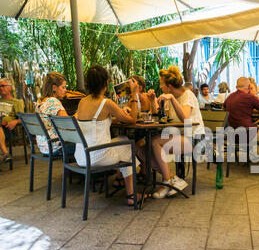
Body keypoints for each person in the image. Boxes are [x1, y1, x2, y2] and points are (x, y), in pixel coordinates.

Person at [75, 65, 142, 206]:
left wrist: (117, 114)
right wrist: (134, 95)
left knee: (123, 141)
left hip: (81, 156)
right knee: (128, 145)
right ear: (106, 83)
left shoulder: (82, 102)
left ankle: (119, 180)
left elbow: (98, 119)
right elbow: (133, 120)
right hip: (97, 156)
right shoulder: (106, 103)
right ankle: (132, 195)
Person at [149, 66, 205, 199]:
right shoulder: (170, 97)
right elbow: (158, 116)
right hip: (178, 136)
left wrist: (172, 100)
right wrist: (152, 100)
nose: (161, 87)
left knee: (155, 142)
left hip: (196, 139)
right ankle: (171, 180)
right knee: (142, 148)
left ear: (169, 86)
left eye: (162, 85)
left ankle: (168, 182)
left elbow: (185, 118)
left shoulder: (188, 95)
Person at [34, 72, 75, 157]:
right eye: (63, 87)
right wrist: (79, 113)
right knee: (87, 144)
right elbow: (70, 125)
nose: (65, 90)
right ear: (54, 88)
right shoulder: (53, 101)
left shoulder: (40, 101)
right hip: (55, 147)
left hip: (44, 147)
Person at [0, 78, 25, 164]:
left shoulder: (17, 102)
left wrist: (15, 122)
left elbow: (23, 118)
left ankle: (4, 152)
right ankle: (5, 153)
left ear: (10, 87)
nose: (0, 88)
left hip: (8, 129)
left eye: (3, 86)